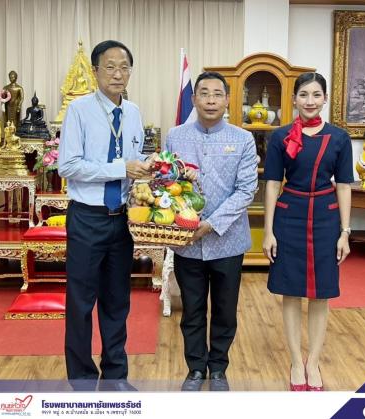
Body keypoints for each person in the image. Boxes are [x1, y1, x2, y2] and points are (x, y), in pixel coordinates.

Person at [58, 40, 155, 391]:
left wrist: (147, 169)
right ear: (95, 71)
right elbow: (68, 166)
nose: (118, 74)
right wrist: (120, 168)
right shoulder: (79, 110)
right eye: (110, 67)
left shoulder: (134, 112)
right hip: (87, 218)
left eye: (124, 67)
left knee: (117, 301)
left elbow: (134, 162)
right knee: (81, 302)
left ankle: (115, 376)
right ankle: (82, 379)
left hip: (122, 219)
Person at [165, 71, 258, 391]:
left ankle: (218, 368)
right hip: (186, 242)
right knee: (192, 310)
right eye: (204, 93)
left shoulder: (242, 139)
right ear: (194, 99)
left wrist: (211, 225)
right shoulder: (175, 136)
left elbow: (246, 191)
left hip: (228, 242)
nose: (210, 100)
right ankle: (195, 369)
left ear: (227, 100)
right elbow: (167, 181)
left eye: (217, 94)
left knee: (224, 311)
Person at [263, 72, 353, 391]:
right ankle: (294, 361)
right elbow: (272, 184)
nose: (310, 101)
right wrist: (268, 231)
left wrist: (345, 232)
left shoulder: (339, 138)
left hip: (327, 218)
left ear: (325, 99)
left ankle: (312, 362)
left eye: (316, 95)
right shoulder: (280, 136)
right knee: (290, 291)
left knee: (321, 293)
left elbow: (344, 185)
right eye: (303, 95)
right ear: (294, 99)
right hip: (290, 216)